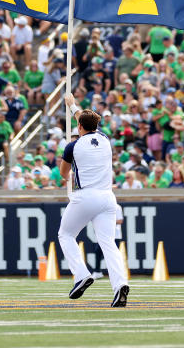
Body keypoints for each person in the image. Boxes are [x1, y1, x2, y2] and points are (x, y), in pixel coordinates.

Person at [57, 95, 129, 307]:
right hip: (107, 198)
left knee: (66, 234)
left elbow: (63, 174)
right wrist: (73, 106)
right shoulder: (105, 139)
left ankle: (81, 274)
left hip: (85, 196)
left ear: (79, 126)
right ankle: (120, 284)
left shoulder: (73, 146)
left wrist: (72, 109)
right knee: (108, 243)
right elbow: (86, 121)